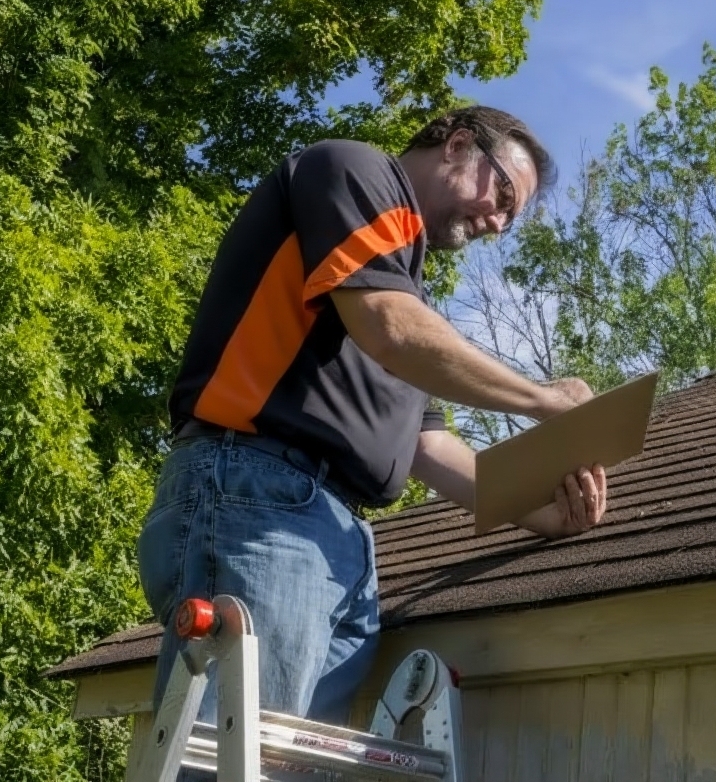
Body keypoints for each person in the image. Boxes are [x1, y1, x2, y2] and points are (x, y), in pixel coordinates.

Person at [137, 106, 607, 764]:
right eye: (502, 195)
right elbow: (391, 327)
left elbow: (426, 448)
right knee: (233, 766)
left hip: (330, 538)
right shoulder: (354, 172)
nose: (499, 222)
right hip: (261, 500)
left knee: (280, 770)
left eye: (511, 215)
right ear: (460, 146)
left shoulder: (400, 297)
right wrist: (542, 402)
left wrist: (542, 514)